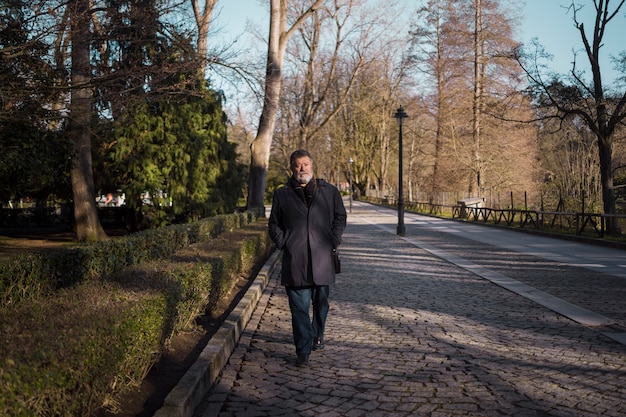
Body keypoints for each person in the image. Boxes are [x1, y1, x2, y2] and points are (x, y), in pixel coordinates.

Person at [268, 149, 347, 367]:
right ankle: (303, 350)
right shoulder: (282, 194)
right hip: (296, 260)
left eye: (306, 164)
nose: (303, 169)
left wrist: (334, 239)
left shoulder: (328, 191)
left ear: (312, 165)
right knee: (299, 308)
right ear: (291, 168)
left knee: (321, 304)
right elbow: (274, 223)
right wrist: (284, 242)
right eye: (298, 165)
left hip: (322, 258)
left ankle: (317, 334)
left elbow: (340, 216)